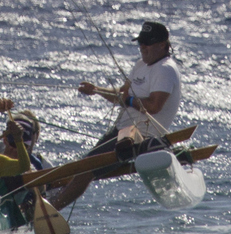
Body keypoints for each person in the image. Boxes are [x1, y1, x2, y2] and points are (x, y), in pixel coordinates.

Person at [50, 21, 184, 209]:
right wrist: (96, 90)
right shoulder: (141, 65)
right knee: (83, 165)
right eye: (140, 43)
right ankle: (48, 201)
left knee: (87, 168)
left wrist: (128, 101)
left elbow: (153, 107)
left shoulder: (165, 69)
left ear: (163, 45)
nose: (142, 47)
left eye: (148, 43)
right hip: (122, 130)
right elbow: (122, 94)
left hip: (140, 136)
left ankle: (52, 209)